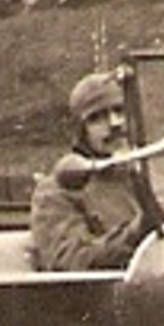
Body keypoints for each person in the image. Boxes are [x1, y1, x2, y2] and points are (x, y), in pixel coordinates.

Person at [30, 70, 149, 271]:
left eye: (120, 111)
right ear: (80, 131)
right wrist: (139, 231)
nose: (115, 123)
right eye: (97, 117)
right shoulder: (58, 190)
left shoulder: (150, 178)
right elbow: (72, 259)